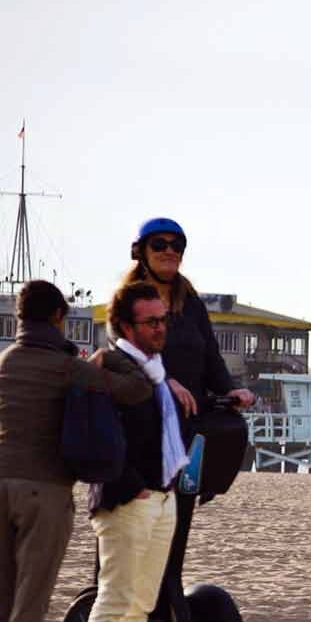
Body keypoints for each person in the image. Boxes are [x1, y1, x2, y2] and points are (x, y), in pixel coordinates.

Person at [0, 280, 152, 622]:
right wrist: (110, 357)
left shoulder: (5, 361)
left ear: (20, 318)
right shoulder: (66, 366)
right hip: (46, 490)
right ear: (58, 317)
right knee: (29, 601)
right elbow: (138, 389)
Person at [120, 218, 256, 601]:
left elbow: (210, 357)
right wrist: (163, 380)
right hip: (144, 427)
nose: (169, 251)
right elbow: (122, 356)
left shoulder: (190, 303)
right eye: (159, 244)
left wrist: (233, 391)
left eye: (176, 245)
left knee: (177, 520)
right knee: (140, 524)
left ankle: (170, 595)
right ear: (141, 252)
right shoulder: (131, 301)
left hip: (187, 429)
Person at [79, 283, 191, 622]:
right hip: (129, 500)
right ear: (126, 325)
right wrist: (132, 486)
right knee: (115, 595)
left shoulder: (157, 370)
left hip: (163, 497)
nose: (161, 328)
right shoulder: (108, 365)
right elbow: (98, 436)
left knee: (142, 599)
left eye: (164, 319)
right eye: (152, 321)